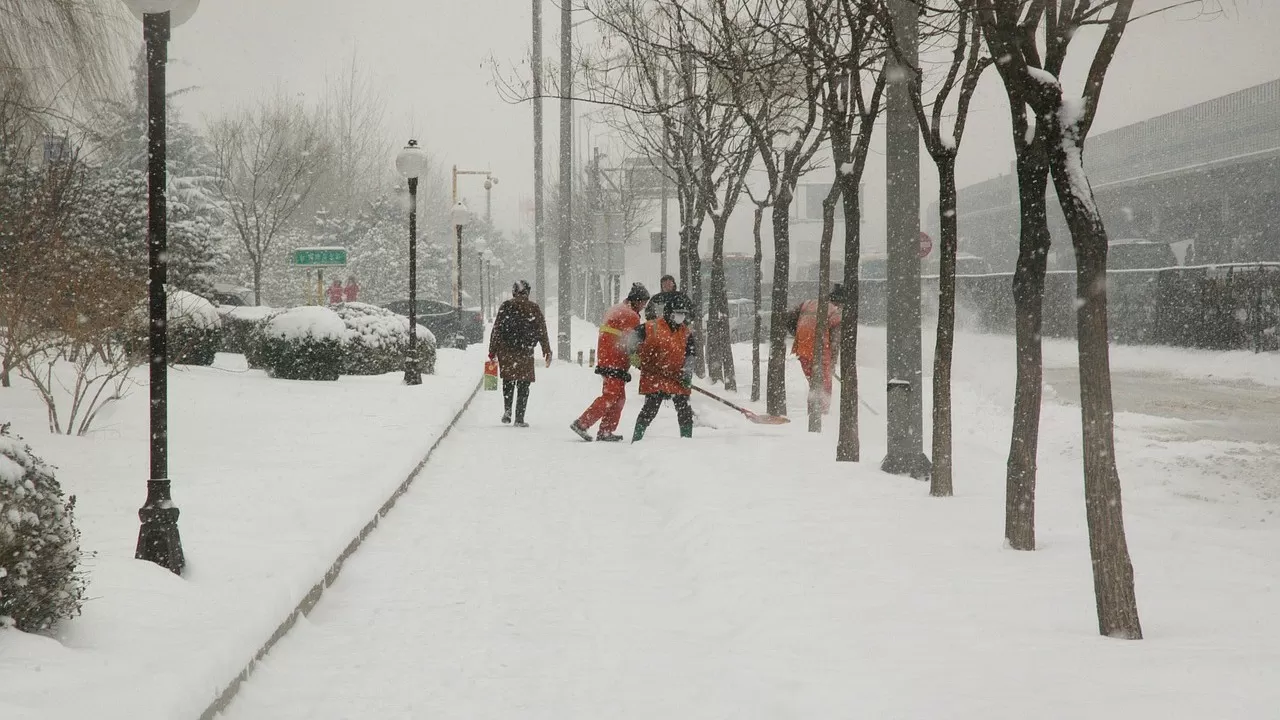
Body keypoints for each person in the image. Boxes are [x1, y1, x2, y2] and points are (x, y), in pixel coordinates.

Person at [570, 282, 650, 442]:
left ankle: (606, 431)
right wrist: (640, 361)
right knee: (611, 396)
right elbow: (632, 342)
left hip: (607, 357)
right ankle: (582, 423)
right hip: (615, 360)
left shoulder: (617, 309)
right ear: (636, 300)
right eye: (643, 303)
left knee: (618, 397)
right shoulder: (630, 316)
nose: (643, 306)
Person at [629, 293, 697, 442]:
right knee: (650, 410)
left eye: (683, 314)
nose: (681, 317)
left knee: (684, 411)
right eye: (678, 313)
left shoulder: (685, 332)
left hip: (677, 377)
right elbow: (630, 340)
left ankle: (687, 442)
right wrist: (635, 357)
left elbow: (691, 354)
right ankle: (637, 439)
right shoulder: (651, 327)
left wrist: (687, 373)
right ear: (669, 313)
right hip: (654, 376)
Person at [488, 280, 552, 427]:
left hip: (506, 350)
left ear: (514, 291)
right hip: (525, 352)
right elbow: (542, 330)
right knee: (523, 385)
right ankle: (519, 418)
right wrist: (546, 350)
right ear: (527, 292)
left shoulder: (506, 306)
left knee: (508, 382)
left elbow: (497, 329)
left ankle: (507, 410)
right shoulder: (533, 308)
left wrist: (492, 351)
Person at [788, 284, 845, 414]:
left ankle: (813, 412)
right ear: (839, 302)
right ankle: (821, 415)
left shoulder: (808, 303)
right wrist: (832, 363)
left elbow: (790, 318)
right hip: (820, 350)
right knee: (825, 386)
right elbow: (835, 342)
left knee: (814, 383)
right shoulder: (835, 313)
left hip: (802, 348)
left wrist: (799, 334)